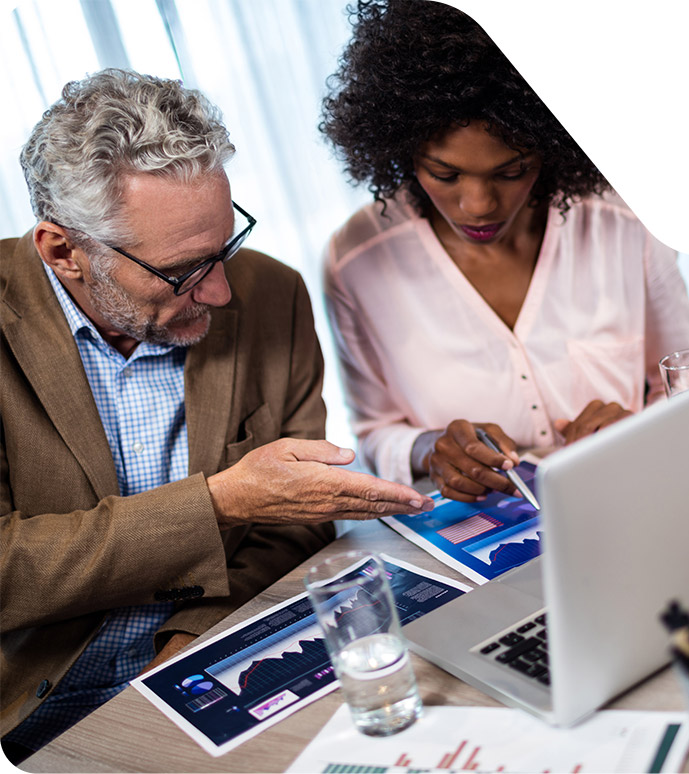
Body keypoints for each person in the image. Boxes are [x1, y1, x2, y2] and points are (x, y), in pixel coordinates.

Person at [0, 68, 433, 763]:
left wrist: (183, 649)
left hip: (225, 646)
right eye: (183, 270)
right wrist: (220, 504)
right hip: (40, 702)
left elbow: (298, 521)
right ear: (64, 251)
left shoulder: (274, 294)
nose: (224, 290)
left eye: (226, 245)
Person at [320, 0, 689, 503]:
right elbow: (373, 434)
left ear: (554, 145)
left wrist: (642, 430)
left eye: (510, 171)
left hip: (634, 500)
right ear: (399, 149)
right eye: (445, 173)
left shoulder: (628, 221)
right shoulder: (355, 263)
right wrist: (430, 448)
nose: (478, 206)